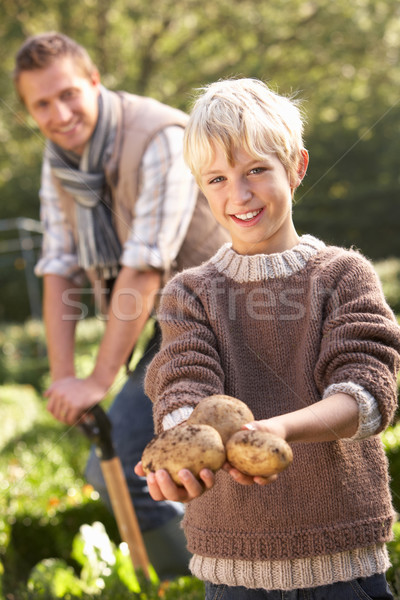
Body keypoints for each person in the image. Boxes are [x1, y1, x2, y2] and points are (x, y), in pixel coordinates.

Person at [135, 77, 400, 598]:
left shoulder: (343, 276)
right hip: (231, 564)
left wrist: (278, 429)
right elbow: (181, 385)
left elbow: (368, 392)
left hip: (341, 561)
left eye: (256, 169)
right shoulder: (189, 293)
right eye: (216, 179)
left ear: (297, 167)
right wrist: (180, 451)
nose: (239, 194)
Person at [13, 32, 229, 579]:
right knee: (118, 463)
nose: (59, 114)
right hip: (165, 319)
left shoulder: (160, 136)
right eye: (41, 104)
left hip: (223, 311)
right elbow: (59, 263)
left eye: (67, 94)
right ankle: (199, 574)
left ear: (93, 81)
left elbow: (146, 265)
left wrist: (98, 380)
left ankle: (205, 577)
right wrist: (66, 379)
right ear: (28, 110)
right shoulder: (61, 157)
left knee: (132, 459)